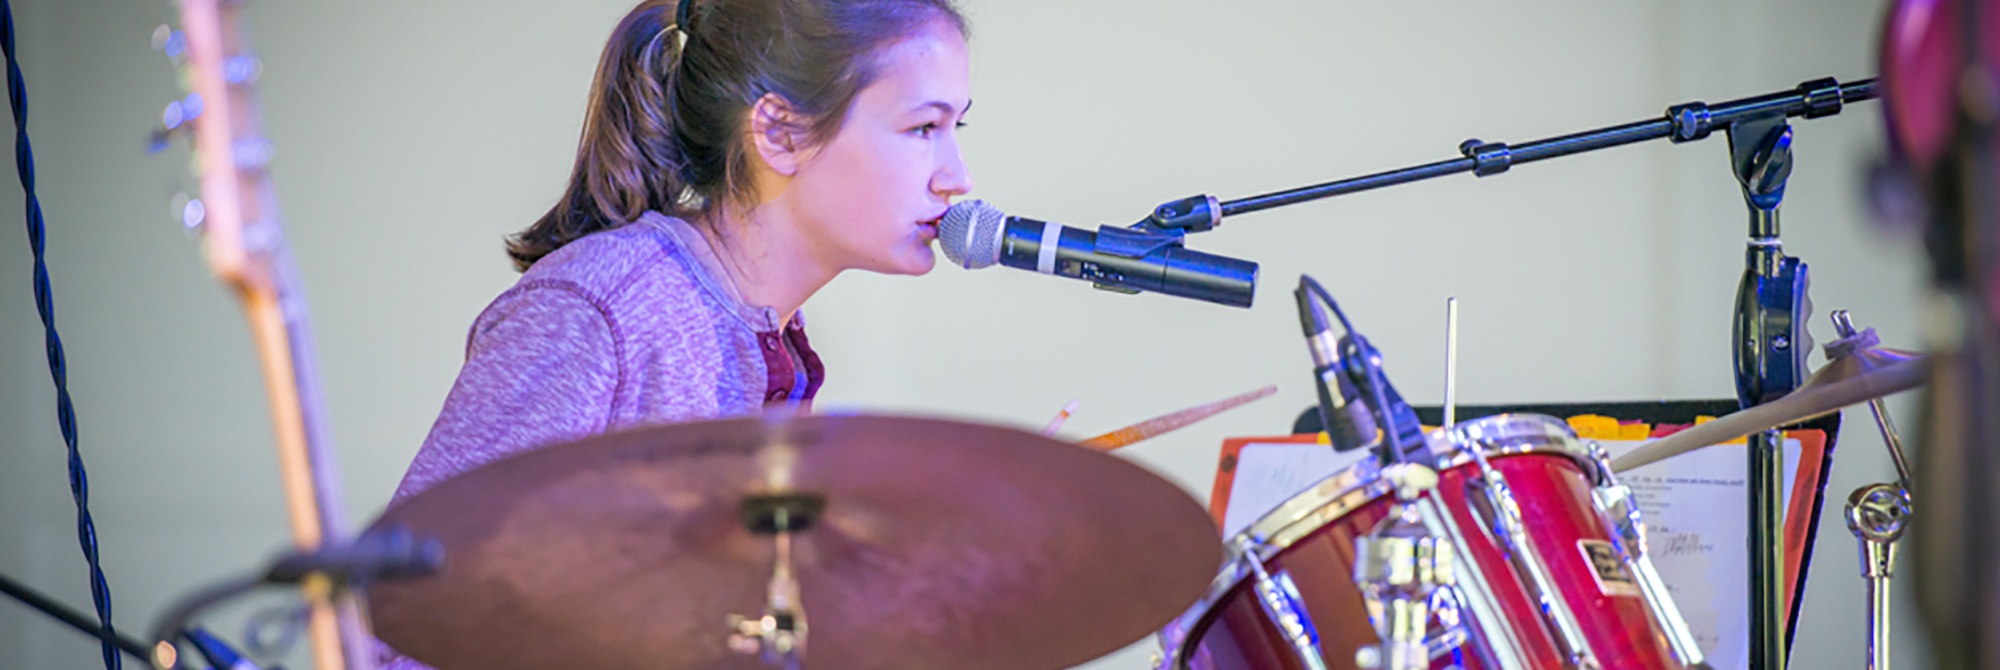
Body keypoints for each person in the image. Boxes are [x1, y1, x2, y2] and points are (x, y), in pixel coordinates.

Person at [376, 0, 970, 664]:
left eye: (957, 127)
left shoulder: (768, 336)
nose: (957, 178)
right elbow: (404, 624)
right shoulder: (601, 308)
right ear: (779, 134)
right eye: (924, 128)